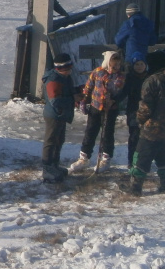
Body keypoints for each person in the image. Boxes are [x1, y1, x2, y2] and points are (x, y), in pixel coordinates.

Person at [68, 50, 126, 173]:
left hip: (110, 109)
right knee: (90, 131)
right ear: (107, 63)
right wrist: (84, 101)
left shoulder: (120, 76)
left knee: (107, 134)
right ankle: (84, 158)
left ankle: (105, 158)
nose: (116, 67)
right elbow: (88, 87)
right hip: (95, 107)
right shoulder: (98, 72)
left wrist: (114, 99)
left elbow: (120, 89)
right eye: (113, 65)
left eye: (118, 65)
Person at [41, 53, 77, 183]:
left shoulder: (65, 77)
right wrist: (73, 100)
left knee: (59, 140)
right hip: (54, 115)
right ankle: (47, 168)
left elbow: (69, 91)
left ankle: (54, 165)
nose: (69, 71)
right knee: (51, 141)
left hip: (61, 114)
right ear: (60, 68)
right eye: (67, 69)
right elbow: (55, 101)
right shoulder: (53, 79)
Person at [129, 68, 165, 196]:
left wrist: (139, 119)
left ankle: (135, 187)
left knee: (141, 157)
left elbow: (146, 107)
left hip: (153, 128)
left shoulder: (152, 81)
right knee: (162, 156)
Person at [122, 57, 150, 169]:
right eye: (137, 64)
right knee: (134, 136)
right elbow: (123, 92)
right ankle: (131, 161)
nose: (139, 67)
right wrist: (113, 100)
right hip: (133, 111)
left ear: (145, 65)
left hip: (148, 111)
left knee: (146, 137)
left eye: (141, 64)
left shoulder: (150, 78)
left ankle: (143, 161)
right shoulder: (130, 78)